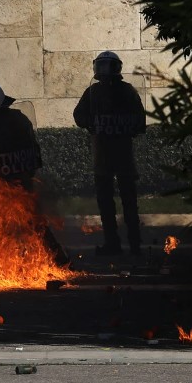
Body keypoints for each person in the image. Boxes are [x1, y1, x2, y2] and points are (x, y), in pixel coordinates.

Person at [0, 80, 70, 264]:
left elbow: (24, 149)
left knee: (34, 222)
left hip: (19, 182)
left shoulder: (15, 121)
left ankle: (58, 260)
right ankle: (4, 262)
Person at [73, 50, 148, 256]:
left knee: (115, 202)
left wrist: (95, 125)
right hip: (113, 154)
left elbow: (139, 121)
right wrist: (94, 124)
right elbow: (80, 116)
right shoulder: (113, 91)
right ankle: (130, 244)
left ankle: (120, 244)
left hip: (110, 155)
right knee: (120, 202)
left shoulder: (100, 92)